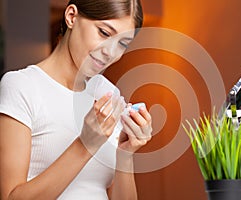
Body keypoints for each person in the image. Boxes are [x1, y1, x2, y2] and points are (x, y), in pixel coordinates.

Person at [0, 0, 152, 199]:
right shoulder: (21, 86)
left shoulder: (107, 93)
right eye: (104, 33)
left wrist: (125, 153)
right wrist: (84, 145)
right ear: (72, 16)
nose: (110, 52)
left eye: (122, 43)